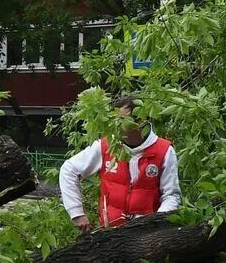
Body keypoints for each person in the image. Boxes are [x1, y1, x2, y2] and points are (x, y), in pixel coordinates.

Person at [58, 93, 180, 230]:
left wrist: (155, 224)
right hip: (110, 234)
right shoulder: (106, 146)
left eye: (122, 120)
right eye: (115, 120)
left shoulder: (164, 151)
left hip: (147, 236)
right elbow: (68, 170)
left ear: (140, 121)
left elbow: (171, 196)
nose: (116, 126)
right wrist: (76, 213)